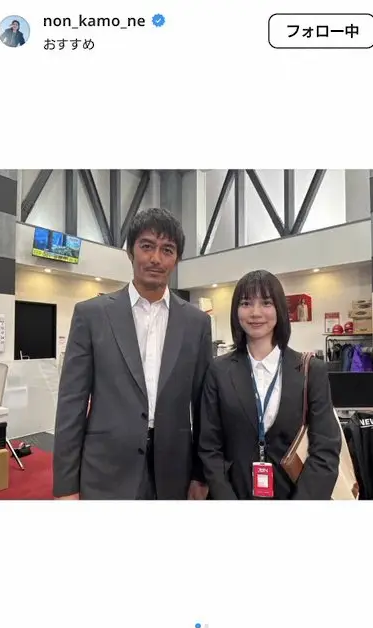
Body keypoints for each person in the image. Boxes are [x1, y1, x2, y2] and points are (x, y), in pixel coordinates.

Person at [53, 208, 213, 500]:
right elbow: (71, 404)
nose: (156, 258)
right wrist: (66, 485)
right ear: (130, 251)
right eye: (147, 246)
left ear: (177, 259)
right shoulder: (91, 315)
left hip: (174, 472)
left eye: (167, 250)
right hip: (106, 470)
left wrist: (200, 474)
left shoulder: (197, 323)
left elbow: (203, 406)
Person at [198, 269, 341, 500]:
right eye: (246, 303)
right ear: (236, 311)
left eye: (266, 303)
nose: (255, 313)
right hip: (235, 495)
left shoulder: (311, 371)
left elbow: (325, 449)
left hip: (295, 496)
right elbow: (209, 446)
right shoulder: (218, 371)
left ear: (279, 310)